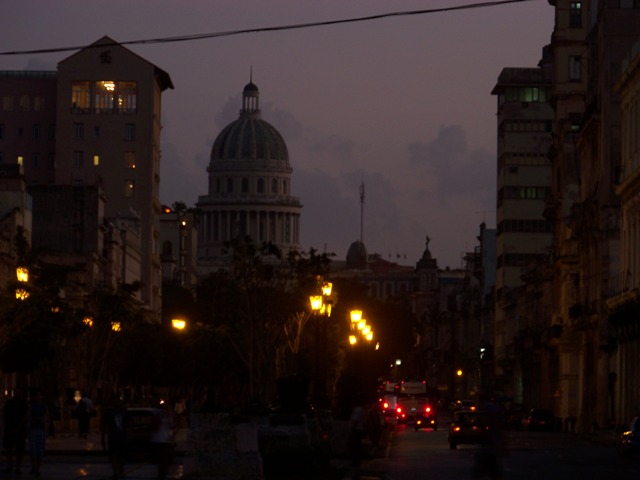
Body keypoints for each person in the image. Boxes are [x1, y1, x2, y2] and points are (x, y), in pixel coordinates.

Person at [472, 397, 507, 480]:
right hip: (492, 448)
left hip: (487, 448)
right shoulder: (496, 411)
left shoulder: (484, 409)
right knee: (495, 472)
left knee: (480, 472)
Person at [101, 396, 130, 480]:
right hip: (115, 437)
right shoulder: (110, 412)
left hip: (120, 437)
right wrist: (103, 438)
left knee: (119, 455)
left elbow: (130, 424)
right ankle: (117, 471)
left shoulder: (123, 412)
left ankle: (119, 471)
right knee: (115, 455)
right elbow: (104, 427)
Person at [2, 388, 28, 475]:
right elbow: (4, 414)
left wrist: (18, 428)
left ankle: (17, 466)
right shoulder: (9, 403)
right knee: (9, 448)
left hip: (19, 429)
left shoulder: (23, 403)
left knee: (19, 449)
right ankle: (10, 465)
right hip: (10, 428)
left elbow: (25, 416)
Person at [28, 390, 48, 477]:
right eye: (37, 396)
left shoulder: (44, 406)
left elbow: (46, 417)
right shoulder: (31, 406)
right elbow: (28, 416)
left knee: (39, 450)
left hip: (41, 428)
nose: (38, 398)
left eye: (39, 396)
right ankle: (34, 466)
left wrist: (46, 427)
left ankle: (37, 468)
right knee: (33, 449)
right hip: (33, 428)